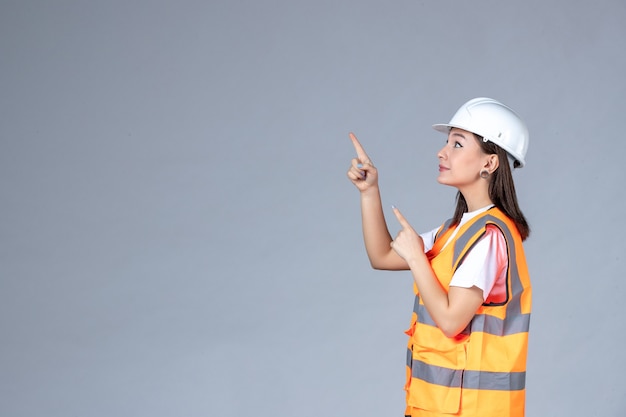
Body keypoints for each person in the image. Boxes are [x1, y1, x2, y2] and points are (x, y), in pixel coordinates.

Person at [346, 97, 532, 417]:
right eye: (446, 142)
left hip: (473, 410)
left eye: (457, 144)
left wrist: (418, 259)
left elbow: (450, 321)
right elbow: (381, 256)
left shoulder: (490, 237)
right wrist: (369, 192)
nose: (442, 152)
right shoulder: (454, 232)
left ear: (489, 163)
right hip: (434, 407)